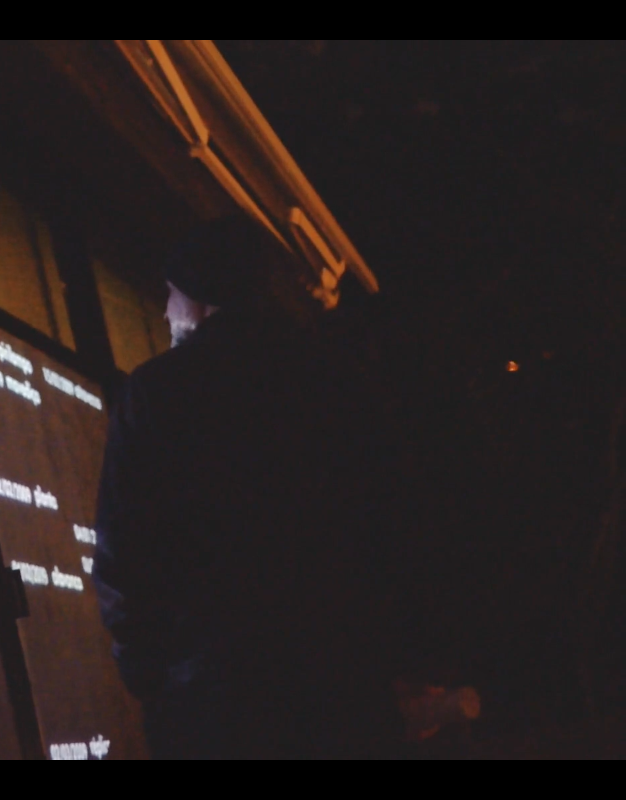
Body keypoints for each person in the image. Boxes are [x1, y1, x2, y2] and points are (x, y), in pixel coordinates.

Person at [93, 215, 397, 758]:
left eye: (171, 293)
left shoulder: (158, 393)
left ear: (201, 295)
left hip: (214, 698)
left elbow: (127, 547)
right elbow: (382, 522)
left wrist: (147, 671)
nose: (165, 311)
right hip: (340, 687)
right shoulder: (333, 381)